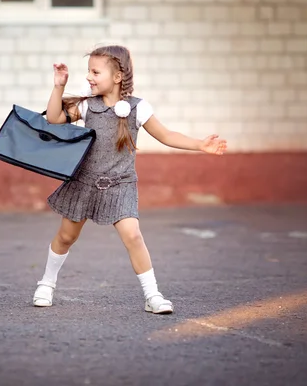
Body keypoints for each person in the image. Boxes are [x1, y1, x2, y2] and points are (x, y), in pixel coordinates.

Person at [33, 45, 227, 314]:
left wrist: (200, 145)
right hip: (85, 182)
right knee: (66, 237)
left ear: (117, 76)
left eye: (95, 71)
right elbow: (54, 118)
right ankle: (46, 283)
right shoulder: (89, 106)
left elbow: (167, 135)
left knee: (133, 235)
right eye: (88, 71)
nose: (89, 76)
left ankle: (153, 295)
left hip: (120, 184)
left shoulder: (138, 108)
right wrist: (58, 86)